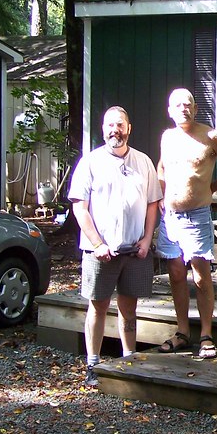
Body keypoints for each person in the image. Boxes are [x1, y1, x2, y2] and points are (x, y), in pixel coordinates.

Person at [68, 105, 162, 386]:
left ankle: (129, 358)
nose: (115, 130)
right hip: (101, 252)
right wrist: (97, 244)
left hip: (134, 250)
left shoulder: (143, 162)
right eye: (110, 125)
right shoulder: (90, 162)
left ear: (129, 129)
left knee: (129, 308)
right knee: (97, 306)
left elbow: (152, 204)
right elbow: (79, 208)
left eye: (120, 125)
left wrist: (147, 239)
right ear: (103, 129)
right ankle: (93, 363)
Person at [155, 88, 217, 358]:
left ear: (195, 109)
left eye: (188, 104)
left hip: (197, 215)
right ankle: (182, 332)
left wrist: (212, 188)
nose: (183, 108)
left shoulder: (210, 136)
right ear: (169, 111)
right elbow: (162, 167)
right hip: (170, 217)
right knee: (174, 273)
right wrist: (162, 195)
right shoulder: (167, 137)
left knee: (200, 276)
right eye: (177, 104)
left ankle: (206, 335)